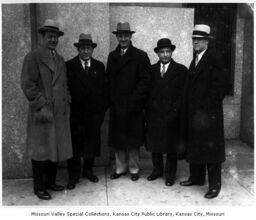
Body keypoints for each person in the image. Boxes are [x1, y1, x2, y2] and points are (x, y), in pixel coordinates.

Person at [21, 19, 72, 200]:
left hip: (59, 112)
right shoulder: (33, 57)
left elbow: (64, 84)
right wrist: (42, 103)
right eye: (49, 36)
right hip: (43, 112)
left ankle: (50, 182)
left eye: (55, 37)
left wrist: (67, 102)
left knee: (54, 150)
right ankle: (39, 187)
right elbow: (28, 85)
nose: (53, 40)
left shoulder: (59, 59)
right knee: (41, 151)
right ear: (42, 37)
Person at [179, 24, 228, 199]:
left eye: (199, 39)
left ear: (207, 41)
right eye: (194, 39)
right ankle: (197, 178)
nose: (195, 42)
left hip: (209, 115)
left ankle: (215, 186)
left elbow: (221, 87)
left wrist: (205, 108)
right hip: (195, 115)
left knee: (212, 150)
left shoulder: (214, 58)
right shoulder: (197, 58)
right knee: (196, 146)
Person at [106, 22, 151, 181]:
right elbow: (109, 80)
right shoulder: (112, 56)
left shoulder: (140, 55)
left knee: (133, 139)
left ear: (131, 36)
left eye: (126, 35)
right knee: (119, 139)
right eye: (120, 35)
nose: (123, 38)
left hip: (134, 105)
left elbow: (145, 82)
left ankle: (133, 169)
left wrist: (134, 101)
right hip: (117, 105)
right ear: (117, 37)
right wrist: (113, 100)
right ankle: (120, 168)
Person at [66, 34, 108, 189]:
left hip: (93, 115)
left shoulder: (99, 66)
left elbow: (105, 92)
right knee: (75, 148)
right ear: (78, 49)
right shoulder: (69, 65)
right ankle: (73, 176)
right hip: (75, 116)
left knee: (91, 146)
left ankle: (88, 171)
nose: (85, 51)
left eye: (88, 48)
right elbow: (66, 90)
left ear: (92, 50)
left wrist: (101, 113)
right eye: (82, 48)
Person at [146, 38, 187, 186]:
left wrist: (174, 111)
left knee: (171, 147)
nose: (165, 54)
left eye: (168, 51)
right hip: (155, 114)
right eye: (162, 52)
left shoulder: (181, 70)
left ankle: (170, 175)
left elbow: (183, 95)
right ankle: (157, 171)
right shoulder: (151, 70)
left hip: (172, 115)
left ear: (172, 52)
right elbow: (148, 93)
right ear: (157, 53)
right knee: (155, 145)